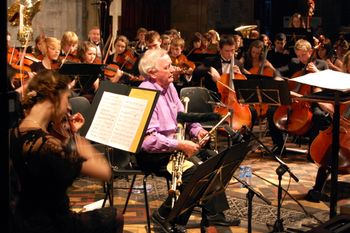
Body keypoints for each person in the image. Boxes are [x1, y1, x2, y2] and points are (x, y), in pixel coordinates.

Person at [137, 48, 240, 232]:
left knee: (214, 159)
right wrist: (180, 144)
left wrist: (197, 130)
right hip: (155, 154)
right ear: (152, 73)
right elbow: (148, 141)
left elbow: (183, 117)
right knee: (196, 173)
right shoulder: (145, 94)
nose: (173, 69)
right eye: (167, 67)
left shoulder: (169, 88)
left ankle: (214, 215)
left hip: (175, 146)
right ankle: (165, 216)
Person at [9, 70, 124, 233]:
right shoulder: (49, 146)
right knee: (115, 216)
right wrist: (76, 137)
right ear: (53, 97)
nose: (68, 106)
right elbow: (104, 171)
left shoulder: (14, 132)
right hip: (52, 224)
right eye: (66, 99)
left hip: (20, 220)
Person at [266, 39, 331, 155]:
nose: (302, 58)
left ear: (311, 51)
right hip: (295, 100)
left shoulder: (322, 64)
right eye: (299, 55)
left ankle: (312, 150)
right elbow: (278, 71)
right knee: (271, 111)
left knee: (318, 115)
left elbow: (328, 83)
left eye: (304, 55)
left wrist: (317, 72)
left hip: (313, 101)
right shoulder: (294, 63)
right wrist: (278, 78)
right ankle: (278, 145)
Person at [305, 50, 350, 202]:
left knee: (332, 150)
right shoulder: (343, 83)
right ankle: (317, 189)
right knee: (329, 151)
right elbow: (335, 108)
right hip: (341, 126)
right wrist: (319, 98)